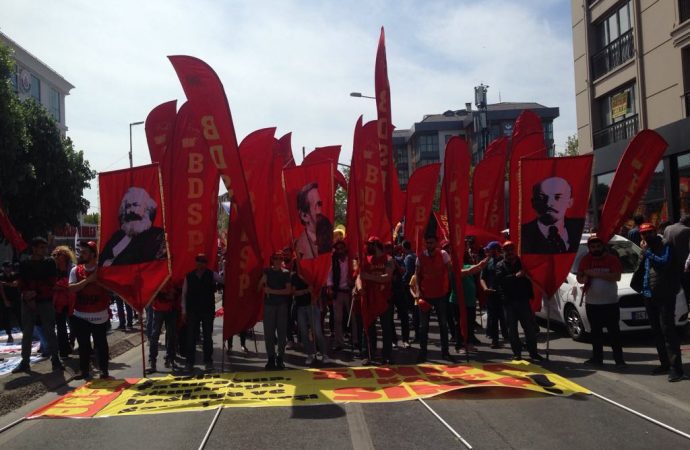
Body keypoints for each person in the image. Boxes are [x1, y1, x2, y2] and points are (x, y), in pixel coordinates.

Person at [639, 223, 685, 382]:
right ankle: (665, 364)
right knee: (656, 331)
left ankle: (676, 369)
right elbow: (643, 269)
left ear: (655, 232)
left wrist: (646, 252)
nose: (647, 236)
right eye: (644, 234)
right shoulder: (646, 249)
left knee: (668, 331)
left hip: (664, 294)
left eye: (649, 232)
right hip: (648, 294)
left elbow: (664, 263)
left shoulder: (665, 245)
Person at [12, 237, 63, 373]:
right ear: (34, 248)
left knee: (49, 331)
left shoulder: (49, 262)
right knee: (27, 332)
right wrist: (27, 296)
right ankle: (25, 361)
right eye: (41, 247)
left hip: (44, 301)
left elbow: (51, 282)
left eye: (45, 247)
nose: (44, 250)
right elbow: (21, 282)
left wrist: (35, 293)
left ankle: (55, 359)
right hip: (27, 302)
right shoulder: (24, 263)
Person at [576, 235, 625, 367]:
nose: (596, 249)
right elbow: (580, 278)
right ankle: (597, 358)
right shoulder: (585, 260)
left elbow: (617, 277)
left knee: (614, 333)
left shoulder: (612, 259)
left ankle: (619, 360)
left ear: (603, 246)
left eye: (598, 246)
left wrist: (594, 273)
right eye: (593, 247)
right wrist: (584, 278)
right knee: (596, 333)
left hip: (610, 303)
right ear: (589, 248)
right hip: (592, 304)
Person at [68, 241, 110, 379]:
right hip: (81, 315)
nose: (81, 254)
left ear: (93, 254)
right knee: (83, 345)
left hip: (99, 314)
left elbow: (111, 288)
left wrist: (98, 281)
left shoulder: (102, 270)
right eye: (80, 252)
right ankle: (84, 371)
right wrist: (88, 280)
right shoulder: (75, 270)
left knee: (101, 344)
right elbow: (71, 288)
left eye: (84, 252)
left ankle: (104, 370)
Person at [495, 241, 543, 361]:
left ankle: (533, 352)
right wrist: (516, 276)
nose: (510, 252)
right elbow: (501, 281)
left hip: (523, 301)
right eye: (507, 250)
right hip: (509, 302)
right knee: (512, 330)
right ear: (503, 252)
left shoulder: (523, 263)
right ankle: (517, 353)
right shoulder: (500, 265)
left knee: (529, 328)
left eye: (511, 249)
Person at [100, 187, 167, 266]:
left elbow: (158, 265)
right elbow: (101, 262)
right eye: (128, 206)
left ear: (147, 208)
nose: (131, 210)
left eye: (136, 205)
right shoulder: (117, 236)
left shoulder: (159, 236)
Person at [415, 235, 455, 363]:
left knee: (443, 325)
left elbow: (451, 269)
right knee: (423, 326)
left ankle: (445, 352)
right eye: (427, 242)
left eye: (431, 242)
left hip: (441, 295)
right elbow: (417, 275)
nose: (429, 245)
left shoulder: (443, 254)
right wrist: (418, 291)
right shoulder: (420, 256)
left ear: (436, 243)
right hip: (425, 296)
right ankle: (422, 353)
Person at [357, 236, 395, 365]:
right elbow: (359, 276)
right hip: (370, 298)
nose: (366, 247)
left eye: (369, 245)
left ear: (376, 245)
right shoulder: (366, 259)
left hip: (385, 299)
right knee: (368, 327)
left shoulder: (389, 260)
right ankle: (367, 354)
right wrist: (360, 288)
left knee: (386, 328)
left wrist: (369, 277)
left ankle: (387, 355)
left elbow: (387, 277)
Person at [182, 254, 223, 372]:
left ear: (206, 263)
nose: (201, 263)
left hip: (207, 310)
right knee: (191, 337)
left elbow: (224, 280)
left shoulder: (212, 274)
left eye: (203, 261)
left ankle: (208, 361)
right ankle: (189, 362)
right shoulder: (189, 276)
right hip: (192, 311)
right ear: (196, 262)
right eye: (199, 261)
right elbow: (184, 294)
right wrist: (184, 311)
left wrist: (227, 267)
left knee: (207, 337)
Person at [521, 177, 584, 254]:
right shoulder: (521, 233)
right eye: (542, 198)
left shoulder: (580, 227)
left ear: (570, 202)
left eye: (557, 197)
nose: (549, 203)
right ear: (533, 202)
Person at [258, 252, 292, 370]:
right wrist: (262, 282)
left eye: (280, 258)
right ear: (272, 259)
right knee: (269, 334)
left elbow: (288, 291)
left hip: (282, 306)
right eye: (275, 258)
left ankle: (280, 358)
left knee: (282, 334)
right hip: (269, 306)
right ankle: (271, 358)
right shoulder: (267, 271)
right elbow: (258, 287)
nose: (278, 260)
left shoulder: (286, 273)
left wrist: (272, 291)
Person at [294, 264, 332, 365]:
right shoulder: (295, 276)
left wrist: (315, 296)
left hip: (312, 306)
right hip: (301, 307)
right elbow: (293, 292)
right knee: (304, 332)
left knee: (317, 331)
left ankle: (324, 354)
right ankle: (310, 354)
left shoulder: (313, 275)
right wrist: (306, 290)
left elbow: (320, 288)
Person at [456, 252, 488, 353]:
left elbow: (474, 268)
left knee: (470, 324)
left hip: (470, 301)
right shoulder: (454, 268)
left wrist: (481, 264)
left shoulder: (466, 265)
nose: (470, 258)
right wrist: (479, 265)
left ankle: (469, 344)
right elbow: (468, 271)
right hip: (459, 301)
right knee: (460, 325)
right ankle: (460, 345)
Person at [327, 240, 356, 351]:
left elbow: (356, 272)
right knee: (338, 319)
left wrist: (353, 281)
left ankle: (355, 340)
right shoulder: (333, 260)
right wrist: (330, 287)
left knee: (353, 317)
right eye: (337, 249)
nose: (340, 251)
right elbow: (329, 275)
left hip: (349, 292)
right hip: (338, 292)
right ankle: (339, 342)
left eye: (341, 248)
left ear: (345, 248)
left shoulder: (350, 260)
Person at [294, 182, 333, 259]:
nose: (320, 211)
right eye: (316, 205)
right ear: (304, 216)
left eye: (320, 204)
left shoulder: (328, 237)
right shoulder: (300, 247)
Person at [481, 241, 508, 349]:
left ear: (496, 249)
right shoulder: (487, 261)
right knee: (493, 318)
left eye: (490, 249)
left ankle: (506, 335)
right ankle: (495, 340)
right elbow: (482, 278)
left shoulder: (505, 260)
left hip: (503, 294)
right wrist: (485, 288)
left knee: (504, 316)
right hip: (491, 294)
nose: (488, 251)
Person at [148, 280, 179, 372]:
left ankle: (170, 358)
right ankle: (152, 361)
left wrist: (168, 295)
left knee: (171, 335)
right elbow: (152, 293)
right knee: (155, 336)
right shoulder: (157, 278)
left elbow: (174, 294)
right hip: (158, 310)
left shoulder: (171, 279)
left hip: (170, 309)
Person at [52, 246, 76, 358]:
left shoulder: (72, 268)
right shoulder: (52, 269)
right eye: (55, 254)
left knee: (74, 325)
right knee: (61, 327)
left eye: (59, 254)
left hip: (72, 301)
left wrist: (64, 286)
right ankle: (63, 350)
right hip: (58, 302)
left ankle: (71, 343)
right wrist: (60, 286)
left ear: (65, 256)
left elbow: (74, 284)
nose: (56, 256)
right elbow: (50, 285)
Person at [664, 215, 690, 307]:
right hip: (683, 263)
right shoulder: (687, 230)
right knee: (686, 287)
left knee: (674, 286)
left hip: (669, 262)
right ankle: (686, 305)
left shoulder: (667, 228)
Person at [401, 240, 418, 342]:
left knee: (412, 309)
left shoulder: (408, 258)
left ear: (404, 248)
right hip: (416, 284)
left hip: (410, 285)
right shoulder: (414, 255)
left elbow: (407, 273)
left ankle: (416, 330)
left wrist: (402, 281)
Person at [0, 261, 21, 343]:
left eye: (9, 267)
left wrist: (6, 284)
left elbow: (16, 284)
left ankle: (25, 333)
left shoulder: (15, 275)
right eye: (6, 267)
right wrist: (5, 300)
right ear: (3, 268)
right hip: (5, 299)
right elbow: (1, 289)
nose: (8, 269)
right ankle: (9, 335)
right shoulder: (1, 276)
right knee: (6, 318)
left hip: (15, 298)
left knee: (19, 316)